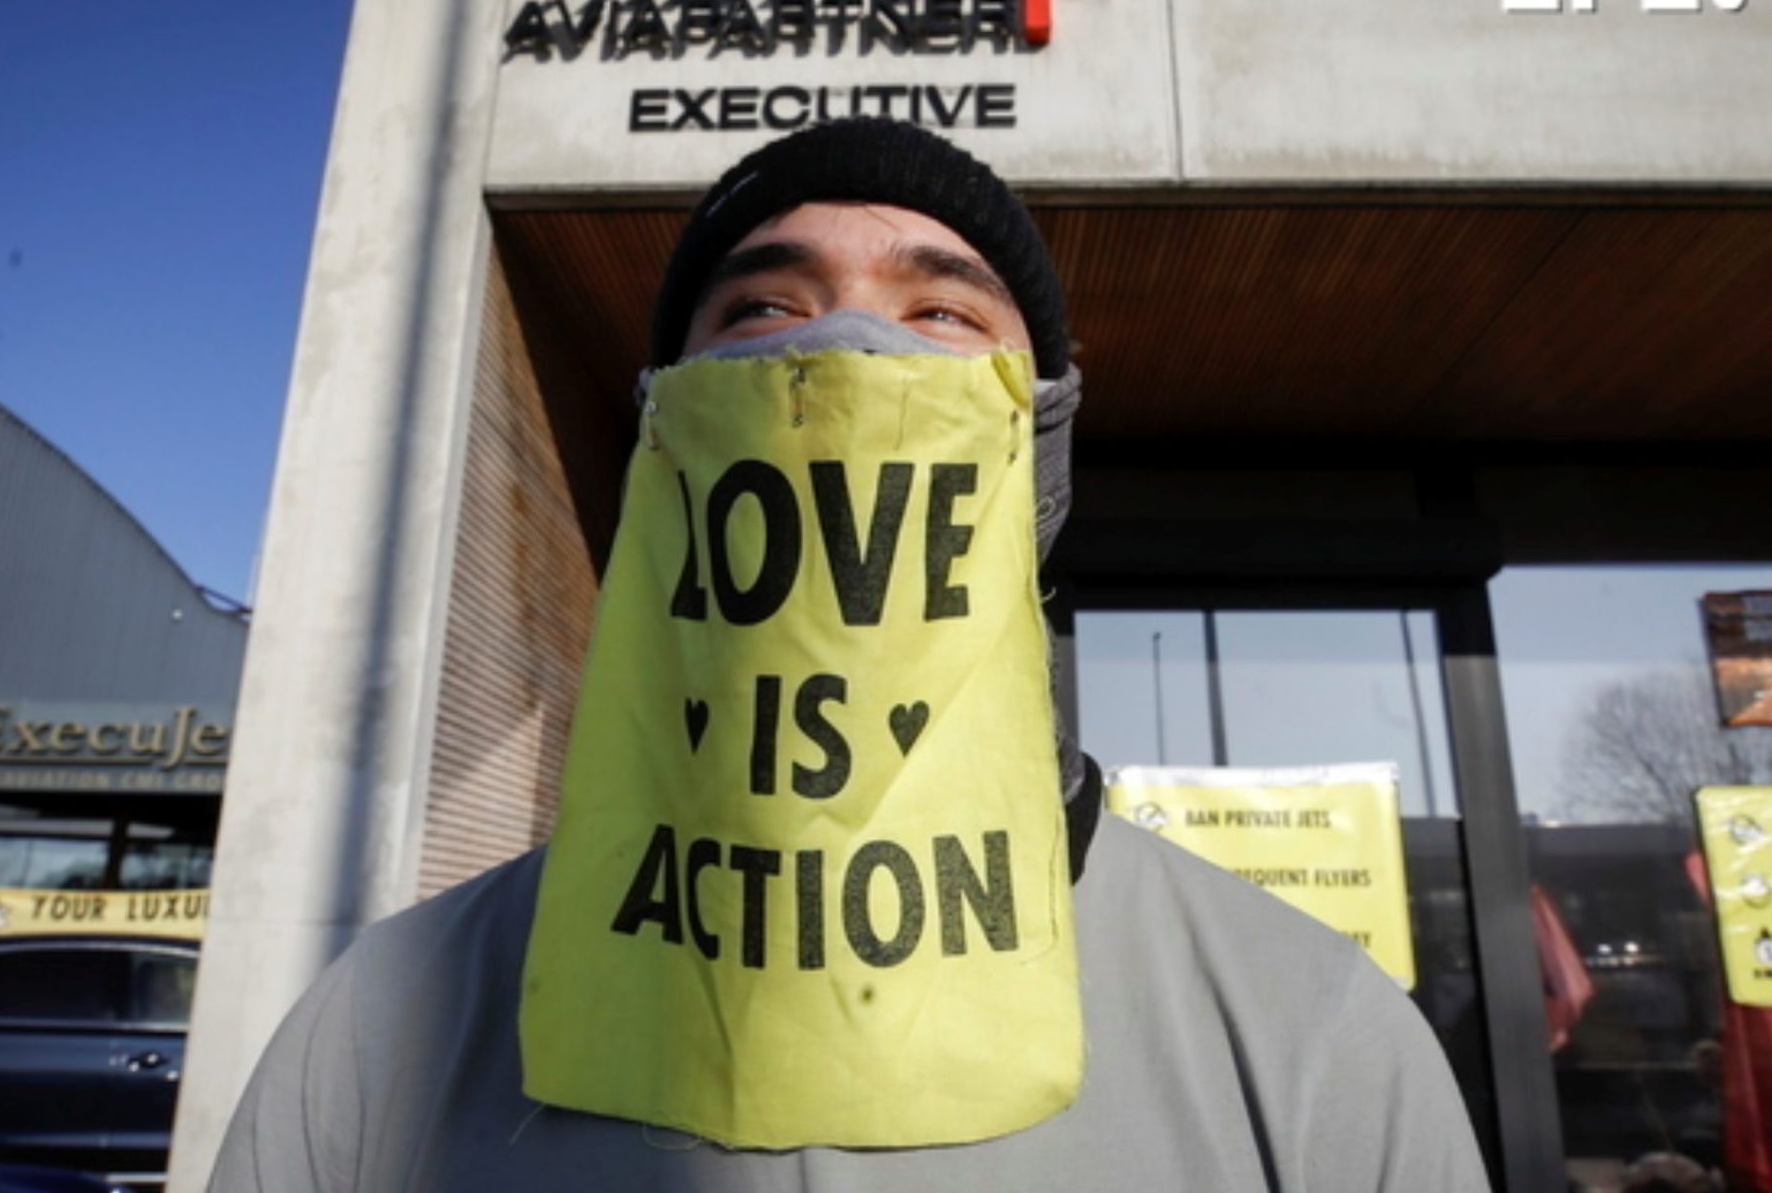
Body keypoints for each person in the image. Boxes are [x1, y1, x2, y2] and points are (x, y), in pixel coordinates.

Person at [210, 120, 1489, 1191]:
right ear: (665, 428)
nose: (843, 348)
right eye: (763, 306)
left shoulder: (1311, 1028)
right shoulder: (391, 1024)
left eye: (941, 309)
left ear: (1042, 442)